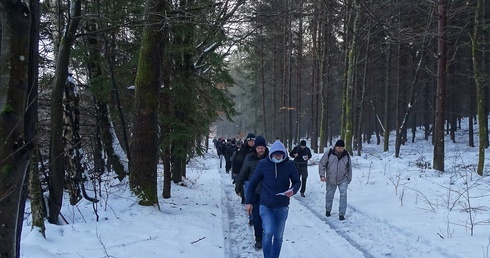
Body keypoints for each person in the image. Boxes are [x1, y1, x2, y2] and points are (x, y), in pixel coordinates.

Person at [246, 140, 300, 258]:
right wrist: (249, 202)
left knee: (278, 236)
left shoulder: (289, 165)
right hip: (266, 205)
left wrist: (293, 190)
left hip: (282, 205)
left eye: (280, 155)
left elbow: (297, 181)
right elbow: (253, 182)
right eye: (276, 155)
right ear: (271, 154)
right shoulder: (263, 164)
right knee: (268, 232)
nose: (278, 157)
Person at [235, 135, 268, 248]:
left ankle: (267, 236)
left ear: (265, 147)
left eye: (262, 147)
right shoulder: (250, 158)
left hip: (268, 192)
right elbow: (243, 172)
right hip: (255, 192)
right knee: (257, 217)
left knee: (267, 216)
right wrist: (238, 186)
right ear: (255, 148)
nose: (260, 150)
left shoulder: (270, 157)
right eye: (258, 148)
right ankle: (259, 239)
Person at [318, 139, 352, 221]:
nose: (340, 149)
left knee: (343, 195)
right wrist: (322, 175)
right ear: (335, 147)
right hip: (331, 179)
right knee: (330, 195)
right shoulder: (329, 153)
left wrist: (349, 179)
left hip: (343, 179)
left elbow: (349, 167)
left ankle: (341, 214)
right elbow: (322, 164)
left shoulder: (346, 155)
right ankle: (328, 210)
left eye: (342, 148)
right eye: (339, 147)